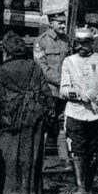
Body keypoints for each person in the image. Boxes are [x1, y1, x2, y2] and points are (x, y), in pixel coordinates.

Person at [0, 32, 53, 194]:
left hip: (9, 120)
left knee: (9, 157)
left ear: (6, 53)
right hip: (34, 117)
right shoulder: (34, 67)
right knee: (31, 154)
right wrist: (50, 113)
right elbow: (46, 93)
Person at [60, 28, 98, 194]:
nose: (81, 47)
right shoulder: (69, 62)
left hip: (97, 114)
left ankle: (89, 185)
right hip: (76, 112)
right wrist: (77, 94)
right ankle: (80, 187)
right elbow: (63, 89)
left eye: (85, 44)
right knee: (77, 150)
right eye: (78, 44)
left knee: (93, 150)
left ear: (92, 43)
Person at [33, 9, 71, 169]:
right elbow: (42, 68)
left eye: (64, 22)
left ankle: (64, 159)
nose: (63, 25)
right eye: (59, 22)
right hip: (49, 91)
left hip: (63, 92)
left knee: (63, 124)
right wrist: (63, 83)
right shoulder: (40, 42)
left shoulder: (66, 40)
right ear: (51, 23)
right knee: (45, 126)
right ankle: (38, 161)